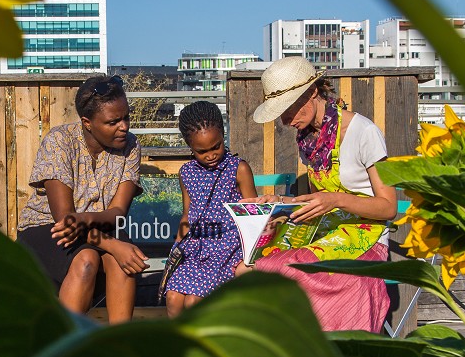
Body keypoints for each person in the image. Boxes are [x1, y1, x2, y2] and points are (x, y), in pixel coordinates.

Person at [239, 57, 397, 331]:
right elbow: (318, 202)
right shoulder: (309, 141)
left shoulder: (363, 132)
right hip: (327, 233)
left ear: (312, 92)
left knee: (281, 270)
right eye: (281, 114)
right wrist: (280, 204)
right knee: (249, 266)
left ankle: (303, 350)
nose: (287, 121)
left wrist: (335, 199)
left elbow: (388, 208)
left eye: (288, 110)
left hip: (366, 238)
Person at [17, 74, 148, 322]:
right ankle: (66, 350)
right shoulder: (59, 142)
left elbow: (118, 210)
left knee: (123, 259)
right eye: (113, 122)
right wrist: (112, 245)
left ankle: (119, 344)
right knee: (87, 259)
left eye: (126, 117)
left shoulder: (131, 146)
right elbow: (64, 222)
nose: (124, 126)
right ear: (87, 122)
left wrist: (86, 219)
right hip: (47, 228)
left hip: (100, 224)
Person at [161, 101, 257, 318]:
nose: (211, 155)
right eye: (201, 151)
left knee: (195, 300)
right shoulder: (186, 172)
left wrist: (249, 257)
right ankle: (177, 345)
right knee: (173, 298)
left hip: (226, 249)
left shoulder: (238, 169)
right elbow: (187, 214)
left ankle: (201, 347)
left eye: (216, 146)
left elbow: (254, 214)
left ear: (223, 135)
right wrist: (177, 247)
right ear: (189, 146)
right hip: (195, 247)